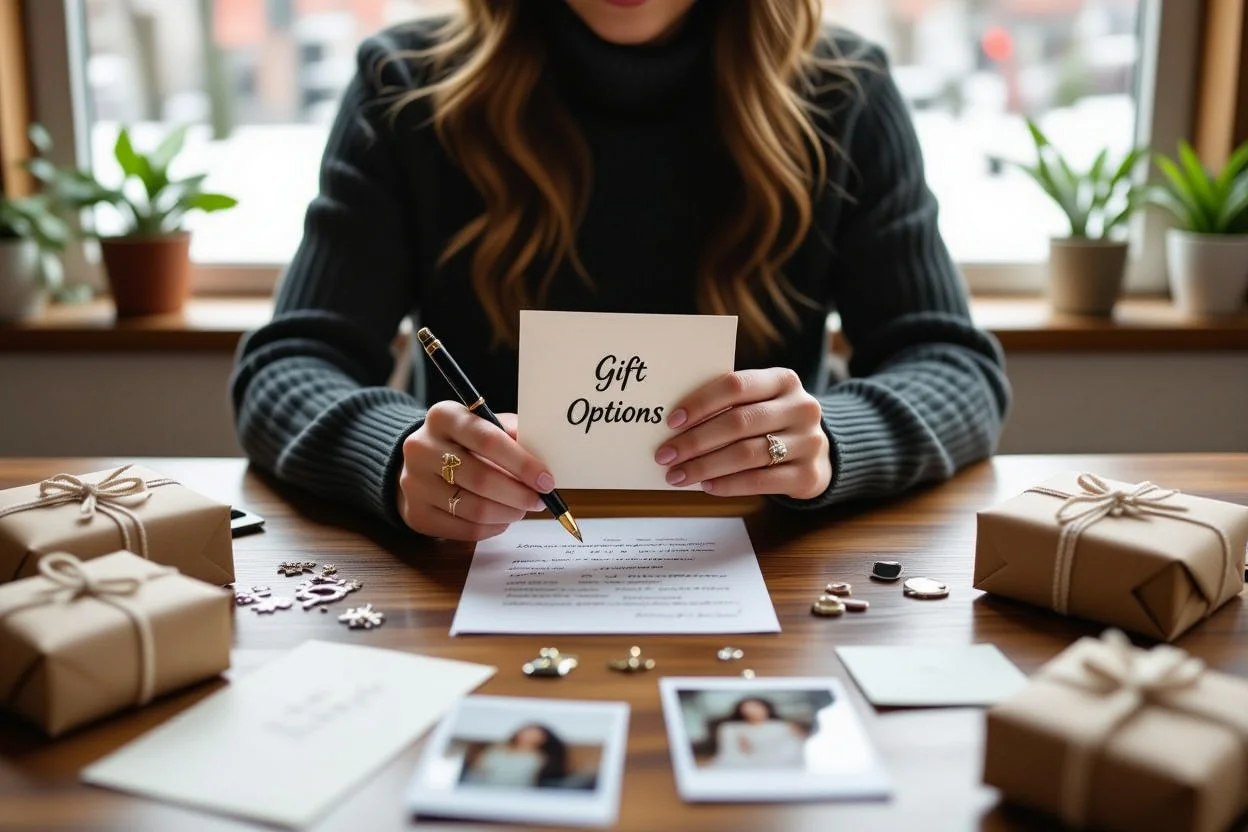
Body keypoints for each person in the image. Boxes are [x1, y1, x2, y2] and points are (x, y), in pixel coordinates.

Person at [231, 0, 1011, 541]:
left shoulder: (845, 91)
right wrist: (394, 455)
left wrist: (833, 443)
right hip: (475, 567)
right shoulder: (404, 85)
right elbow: (288, 368)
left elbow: (952, 369)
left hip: (766, 576)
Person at [704, 697, 807, 769]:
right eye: (747, 708)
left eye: (756, 707)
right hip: (749, 761)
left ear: (766, 708)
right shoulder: (732, 728)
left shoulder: (782, 726)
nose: (751, 711)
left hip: (782, 761)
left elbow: (797, 744)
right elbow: (736, 752)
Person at [461, 724, 569, 788]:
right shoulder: (496, 749)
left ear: (543, 739)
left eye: (534, 734)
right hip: (480, 787)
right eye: (526, 732)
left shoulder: (540, 758)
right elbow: (478, 769)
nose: (527, 736)